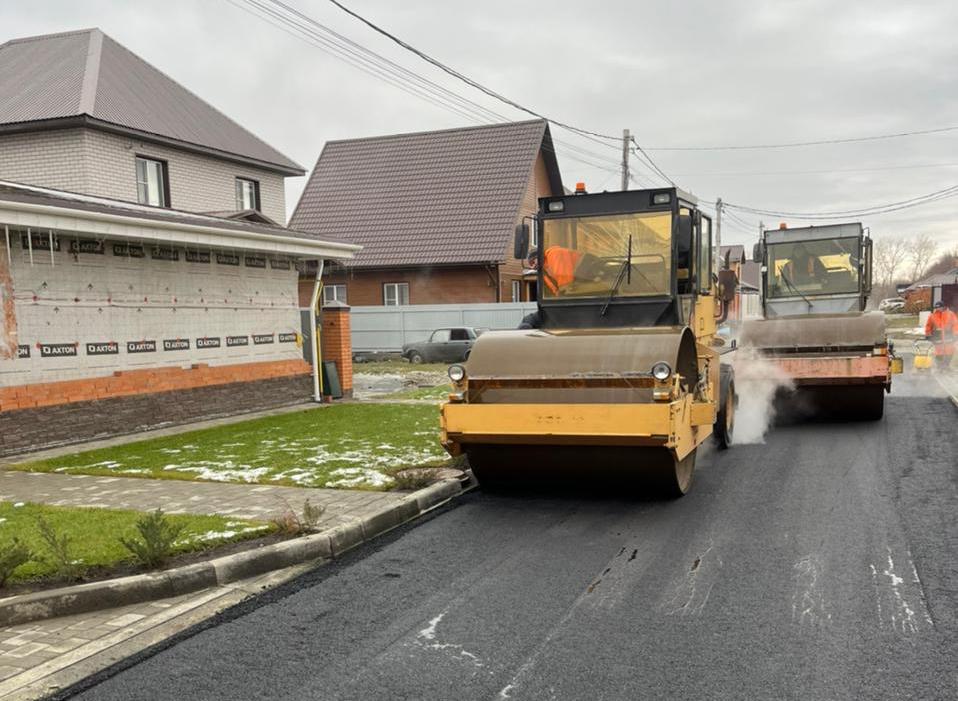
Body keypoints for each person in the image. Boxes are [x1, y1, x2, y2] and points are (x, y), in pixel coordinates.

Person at [924, 301, 958, 369]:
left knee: (949, 351)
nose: (938, 309)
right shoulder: (932, 316)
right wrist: (928, 334)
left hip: (949, 337)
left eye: (939, 307)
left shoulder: (950, 314)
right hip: (937, 337)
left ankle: (946, 365)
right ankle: (940, 366)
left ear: (944, 307)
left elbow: (955, 324)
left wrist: (955, 333)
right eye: (937, 307)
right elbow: (928, 326)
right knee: (939, 352)